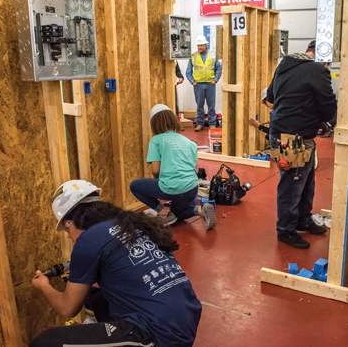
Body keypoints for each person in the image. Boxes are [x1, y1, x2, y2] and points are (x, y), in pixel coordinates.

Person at [29, 180, 202, 347]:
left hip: (158, 334)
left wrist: (44, 286)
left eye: (67, 229)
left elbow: (68, 308)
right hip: (185, 317)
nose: (68, 235)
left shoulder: (87, 241)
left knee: (44, 342)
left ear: (71, 221)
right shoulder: (133, 222)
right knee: (97, 300)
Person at [267, 40, 337, 249]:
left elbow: (270, 96)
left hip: (286, 134)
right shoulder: (317, 70)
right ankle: (286, 230)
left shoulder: (284, 65)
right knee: (292, 184)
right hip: (292, 138)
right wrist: (324, 121)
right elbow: (328, 106)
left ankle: (302, 219)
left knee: (306, 182)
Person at [130, 104, 217, 230]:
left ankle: (162, 211)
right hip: (192, 188)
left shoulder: (156, 140)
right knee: (178, 214)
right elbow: (196, 170)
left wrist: (160, 182)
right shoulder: (189, 141)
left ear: (154, 123)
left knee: (135, 186)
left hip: (171, 187)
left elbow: (155, 170)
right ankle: (200, 209)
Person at [186, 35, 222, 131]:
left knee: (211, 105)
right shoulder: (193, 56)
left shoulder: (212, 55)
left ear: (206, 45)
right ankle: (200, 123)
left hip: (210, 84)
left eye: (201, 45)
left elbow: (219, 68)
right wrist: (193, 82)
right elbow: (188, 72)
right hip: (198, 85)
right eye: (198, 45)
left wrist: (215, 80)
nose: (199, 47)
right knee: (199, 106)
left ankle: (212, 124)